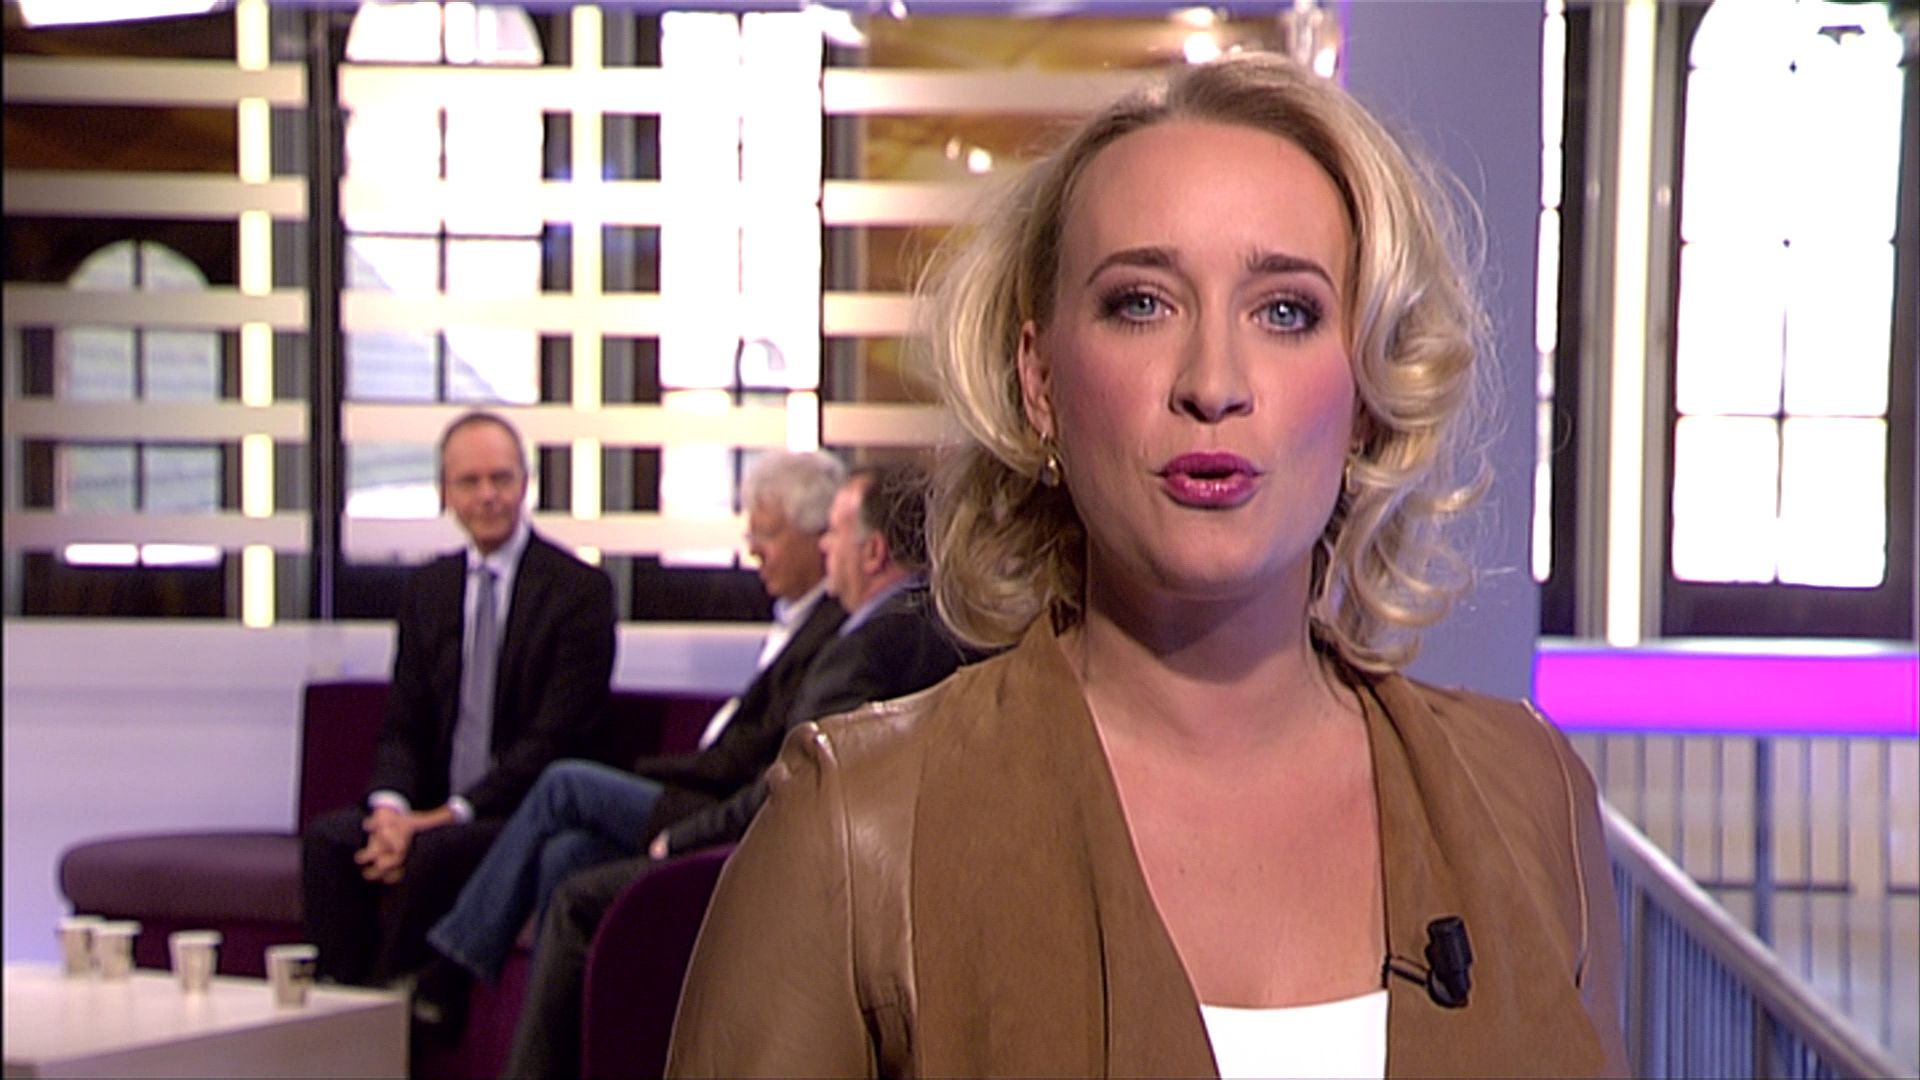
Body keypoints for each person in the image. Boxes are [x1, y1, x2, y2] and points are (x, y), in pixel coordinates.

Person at [667, 53, 1629, 1079]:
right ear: (1040, 381)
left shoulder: (1528, 801)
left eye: (1286, 311)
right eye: (1141, 304)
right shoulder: (855, 831)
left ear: (1366, 391)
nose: (1213, 383)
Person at [498, 459, 976, 1080]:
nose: (823, 548)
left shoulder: (865, 652)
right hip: (864, 870)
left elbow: (793, 792)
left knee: (576, 881)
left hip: (791, 874)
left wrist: (682, 839)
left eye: (832, 533)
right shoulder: (939, 628)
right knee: (569, 852)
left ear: (874, 551)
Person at [406, 450, 849, 1037]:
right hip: (699, 789)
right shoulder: (791, 620)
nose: (754, 552)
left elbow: (751, 757)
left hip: (720, 811)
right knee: (565, 856)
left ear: (818, 538)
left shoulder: (830, 634)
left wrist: (657, 768)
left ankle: (452, 965)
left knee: (565, 782)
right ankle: (551, 1052)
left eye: (767, 536)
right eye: (751, 535)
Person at [302, 410, 616, 988]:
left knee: (436, 850)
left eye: (501, 479)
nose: (487, 495)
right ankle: (340, 1007)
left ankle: (401, 1011)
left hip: (518, 812)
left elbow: (553, 742)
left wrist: (445, 816)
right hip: (431, 808)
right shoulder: (428, 589)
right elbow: (403, 724)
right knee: (330, 841)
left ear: (526, 485)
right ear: (445, 493)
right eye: (470, 482)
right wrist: (391, 811)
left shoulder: (579, 592)